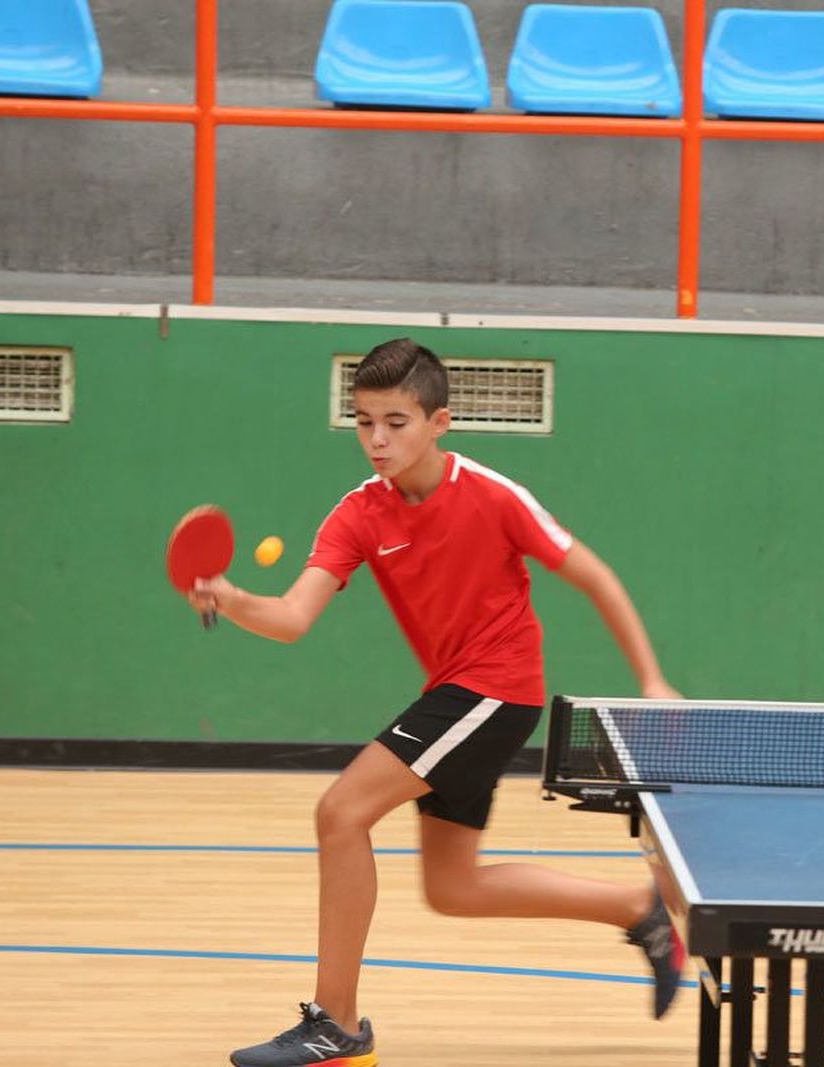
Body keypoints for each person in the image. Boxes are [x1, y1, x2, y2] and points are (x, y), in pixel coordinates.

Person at [186, 338, 685, 1067]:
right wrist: (231, 600)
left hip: (498, 685)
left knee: (341, 812)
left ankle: (337, 1025)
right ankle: (637, 908)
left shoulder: (492, 494)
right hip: (457, 692)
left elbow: (596, 575)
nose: (378, 439)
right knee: (453, 887)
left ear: (439, 420)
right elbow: (293, 618)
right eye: (363, 422)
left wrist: (651, 678)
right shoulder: (357, 514)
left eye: (396, 420)